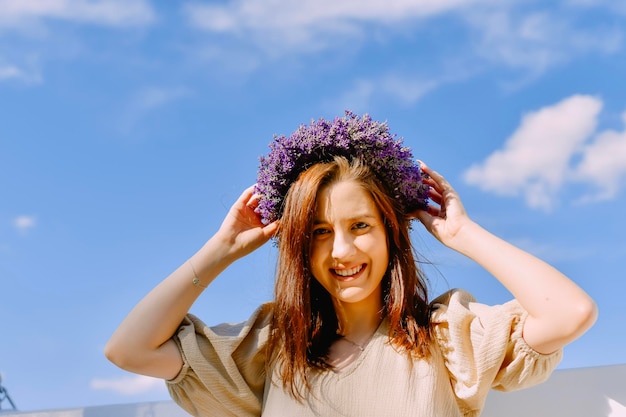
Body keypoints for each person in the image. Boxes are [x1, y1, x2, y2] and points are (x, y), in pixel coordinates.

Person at [105, 112, 597, 417]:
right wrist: (222, 249)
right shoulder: (273, 346)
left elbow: (569, 313)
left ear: (391, 233)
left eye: (360, 226)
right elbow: (129, 349)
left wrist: (462, 234)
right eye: (319, 232)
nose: (341, 251)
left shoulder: (448, 338)